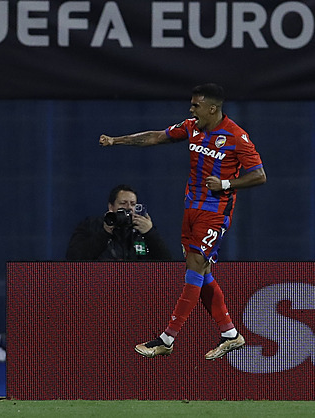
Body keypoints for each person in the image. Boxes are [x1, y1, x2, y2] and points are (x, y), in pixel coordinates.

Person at [99, 83, 266, 360]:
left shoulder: (237, 136)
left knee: (195, 267)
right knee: (201, 273)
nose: (191, 109)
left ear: (212, 108)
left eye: (196, 105)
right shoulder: (192, 127)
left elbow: (259, 175)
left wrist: (225, 182)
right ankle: (230, 334)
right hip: (191, 209)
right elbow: (155, 137)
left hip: (215, 212)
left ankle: (167, 338)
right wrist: (117, 140)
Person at [66, 184, 171, 261]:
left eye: (132, 204)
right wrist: (105, 232)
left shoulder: (142, 229)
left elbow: (167, 263)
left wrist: (150, 233)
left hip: (137, 284)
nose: (128, 208)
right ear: (111, 207)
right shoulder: (92, 225)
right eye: (123, 203)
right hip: (100, 283)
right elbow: (74, 258)